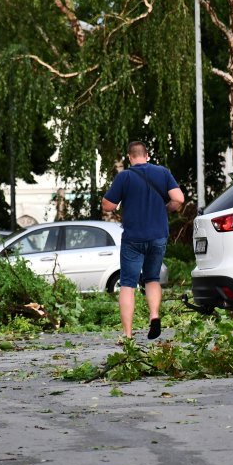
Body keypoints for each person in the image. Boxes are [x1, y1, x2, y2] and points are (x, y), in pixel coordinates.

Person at [102, 141, 184, 339]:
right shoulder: (163, 173)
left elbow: (108, 206)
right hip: (158, 236)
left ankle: (128, 335)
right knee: (152, 278)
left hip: (133, 238)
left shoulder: (125, 176)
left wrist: (117, 200)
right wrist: (166, 208)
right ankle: (154, 316)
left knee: (128, 284)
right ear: (147, 155)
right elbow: (179, 199)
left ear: (130, 157)